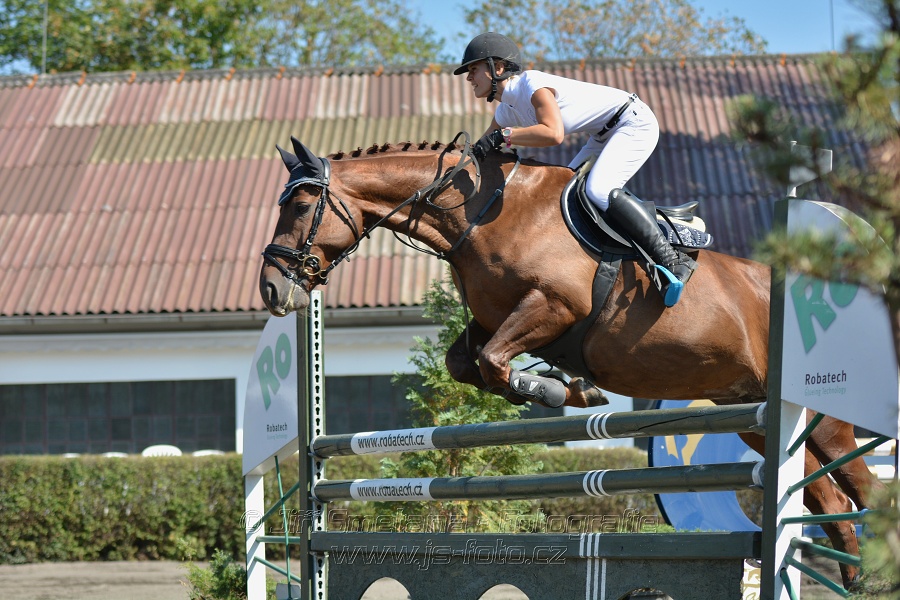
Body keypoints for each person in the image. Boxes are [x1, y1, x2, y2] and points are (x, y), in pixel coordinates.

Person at [455, 32, 696, 307]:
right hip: (602, 135)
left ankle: (674, 260)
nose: (469, 77)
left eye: (473, 69)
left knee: (598, 190)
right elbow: (482, 152)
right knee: (560, 195)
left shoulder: (531, 84)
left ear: (497, 67)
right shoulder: (506, 111)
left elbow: (553, 133)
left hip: (633, 123)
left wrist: (504, 136)